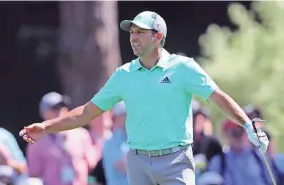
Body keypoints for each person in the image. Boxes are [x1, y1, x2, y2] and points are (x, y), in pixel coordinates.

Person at [19, 11, 269, 185]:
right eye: (132, 32)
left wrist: (248, 125)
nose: (133, 37)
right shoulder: (124, 75)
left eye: (140, 32)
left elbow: (218, 98)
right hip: (138, 161)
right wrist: (47, 127)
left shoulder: (183, 68)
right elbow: (87, 112)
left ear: (158, 36)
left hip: (176, 160)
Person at [26, 92, 97, 185]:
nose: (59, 111)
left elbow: (91, 164)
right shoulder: (36, 141)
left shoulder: (81, 135)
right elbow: (34, 173)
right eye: (54, 108)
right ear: (44, 113)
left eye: (62, 107)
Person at [208, 119, 274, 185]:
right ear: (226, 135)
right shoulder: (219, 161)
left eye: (242, 131)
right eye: (235, 133)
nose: (240, 137)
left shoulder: (259, 156)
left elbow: (270, 181)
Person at [102, 101, 129, 185]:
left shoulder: (132, 139)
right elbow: (124, 167)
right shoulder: (111, 143)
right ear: (118, 117)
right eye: (125, 114)